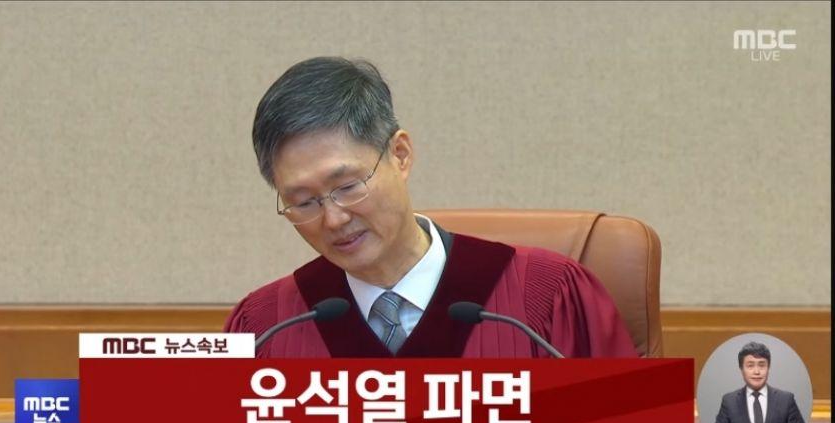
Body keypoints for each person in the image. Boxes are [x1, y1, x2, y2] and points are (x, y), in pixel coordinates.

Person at [224, 56, 637, 359]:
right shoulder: (263, 327)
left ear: (400, 155)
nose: (334, 219)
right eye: (303, 202)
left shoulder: (546, 297)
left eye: (348, 186)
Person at [711, 341, 806, 423]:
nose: (756, 371)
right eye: (750, 366)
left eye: (762, 365)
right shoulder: (729, 400)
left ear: (768, 368)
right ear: (741, 369)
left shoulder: (786, 399)